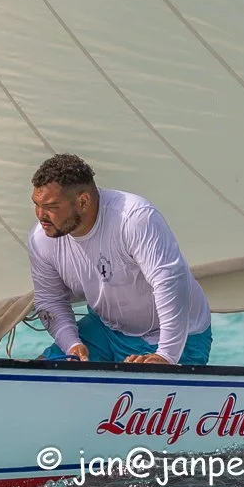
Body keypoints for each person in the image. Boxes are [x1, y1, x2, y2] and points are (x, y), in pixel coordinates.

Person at [28, 153, 212, 365]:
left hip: (179, 336)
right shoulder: (40, 239)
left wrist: (166, 356)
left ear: (83, 201)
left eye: (51, 207)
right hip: (106, 330)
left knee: (146, 392)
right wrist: (72, 344)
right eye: (36, 204)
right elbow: (49, 300)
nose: (40, 215)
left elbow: (168, 283)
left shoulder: (134, 218)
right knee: (42, 368)